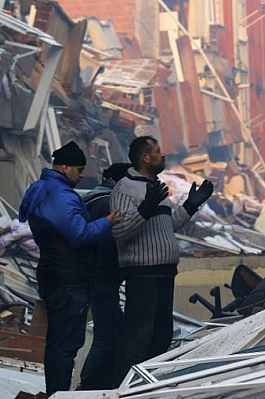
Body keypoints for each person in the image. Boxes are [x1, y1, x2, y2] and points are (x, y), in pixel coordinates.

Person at [18, 141, 122, 395]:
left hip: (54, 274)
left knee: (59, 341)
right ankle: (58, 393)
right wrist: (107, 222)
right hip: (68, 279)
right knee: (65, 343)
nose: (82, 174)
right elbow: (79, 235)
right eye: (79, 169)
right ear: (65, 168)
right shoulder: (61, 195)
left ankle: (57, 391)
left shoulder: (41, 188)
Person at [110, 136, 213, 385]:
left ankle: (147, 388)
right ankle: (119, 389)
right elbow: (119, 232)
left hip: (164, 274)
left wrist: (190, 205)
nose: (163, 155)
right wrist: (146, 207)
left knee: (160, 337)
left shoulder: (155, 187)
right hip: (143, 275)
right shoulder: (125, 188)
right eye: (158, 151)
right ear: (145, 158)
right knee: (137, 339)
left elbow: (167, 225)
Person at [78, 163, 131, 390]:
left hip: (92, 277)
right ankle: (89, 385)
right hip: (102, 278)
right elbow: (108, 244)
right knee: (106, 335)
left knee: (111, 331)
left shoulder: (90, 199)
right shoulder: (107, 204)